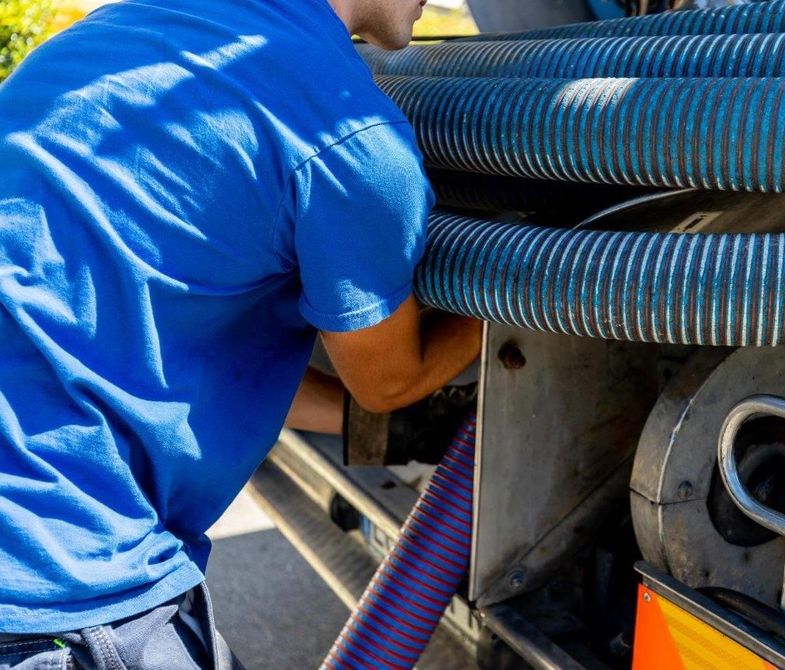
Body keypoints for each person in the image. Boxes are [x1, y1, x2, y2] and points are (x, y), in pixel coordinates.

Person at [0, 0, 482, 666]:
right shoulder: (348, 133)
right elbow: (389, 378)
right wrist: (520, 301)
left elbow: (151, 340)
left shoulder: (107, 39)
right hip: (58, 578)